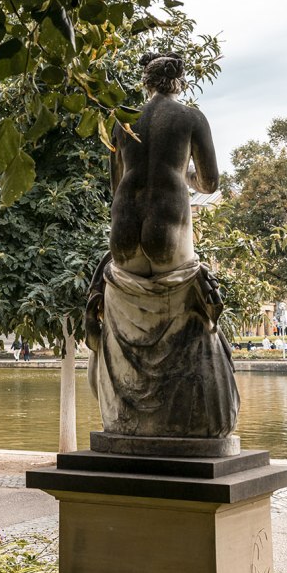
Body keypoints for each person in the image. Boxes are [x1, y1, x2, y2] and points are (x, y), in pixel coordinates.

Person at [84, 51, 237, 443]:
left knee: (126, 286)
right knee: (195, 305)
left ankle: (126, 414)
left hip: (124, 236)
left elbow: (114, 182)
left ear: (146, 83)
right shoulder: (190, 118)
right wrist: (179, 170)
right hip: (168, 232)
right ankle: (188, 416)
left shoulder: (122, 118)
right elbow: (210, 182)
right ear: (179, 82)